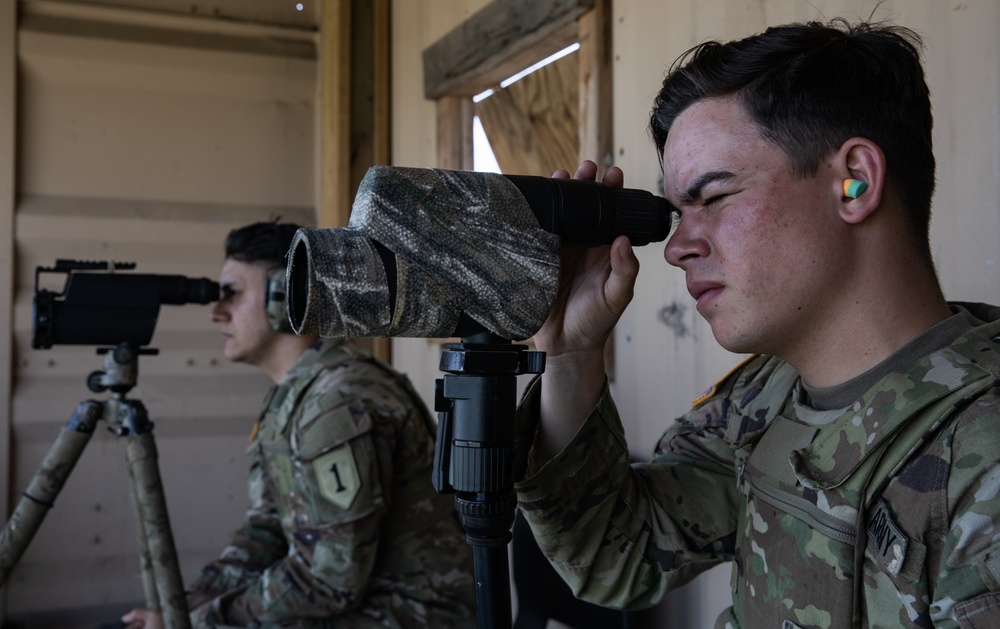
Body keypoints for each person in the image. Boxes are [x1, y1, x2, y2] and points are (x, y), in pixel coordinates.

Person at [513, 18, 1000, 629]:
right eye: (676, 211)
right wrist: (572, 352)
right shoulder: (767, 394)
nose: (676, 247)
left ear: (855, 183)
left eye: (712, 197)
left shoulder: (981, 454)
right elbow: (621, 555)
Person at [123, 221, 476, 628]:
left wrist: (201, 621)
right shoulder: (292, 396)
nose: (215, 311)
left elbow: (329, 581)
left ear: (283, 294)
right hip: (361, 599)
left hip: (416, 613)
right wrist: (185, 606)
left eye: (232, 294)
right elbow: (268, 526)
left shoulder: (337, 403)